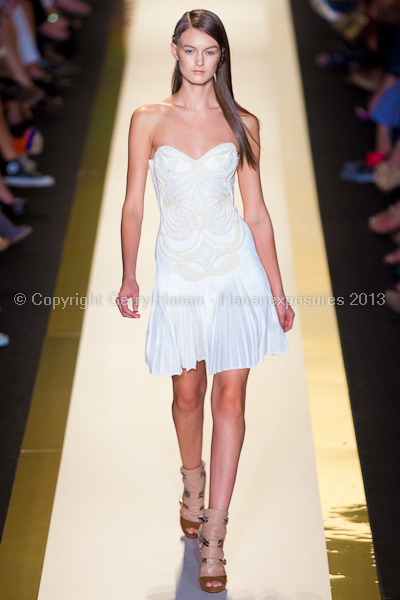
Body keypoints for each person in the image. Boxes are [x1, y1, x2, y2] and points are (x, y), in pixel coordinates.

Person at [117, 9, 295, 594]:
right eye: (190, 50)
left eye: (209, 52)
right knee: (186, 394)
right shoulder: (147, 120)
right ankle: (191, 480)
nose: (199, 61)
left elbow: (257, 211)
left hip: (235, 272)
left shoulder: (243, 123)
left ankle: (215, 533)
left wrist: (276, 288)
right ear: (173, 52)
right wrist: (129, 277)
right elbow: (135, 205)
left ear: (222, 56)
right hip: (180, 276)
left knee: (231, 396)